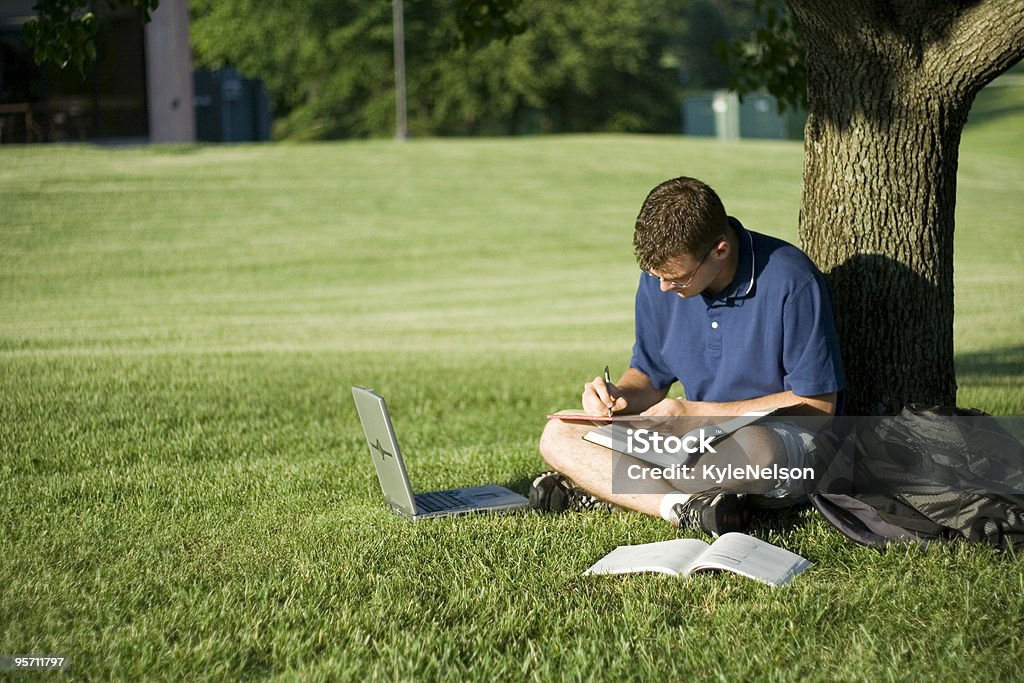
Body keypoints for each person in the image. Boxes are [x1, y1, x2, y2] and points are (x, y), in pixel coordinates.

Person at [534, 176, 846, 535]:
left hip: (768, 438)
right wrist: (618, 396)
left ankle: (602, 485)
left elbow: (819, 407)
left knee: (758, 453)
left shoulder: (792, 280)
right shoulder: (660, 279)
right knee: (557, 433)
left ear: (720, 250)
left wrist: (697, 412)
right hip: (688, 441)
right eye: (656, 276)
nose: (664, 287)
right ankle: (677, 506)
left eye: (678, 279)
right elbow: (648, 376)